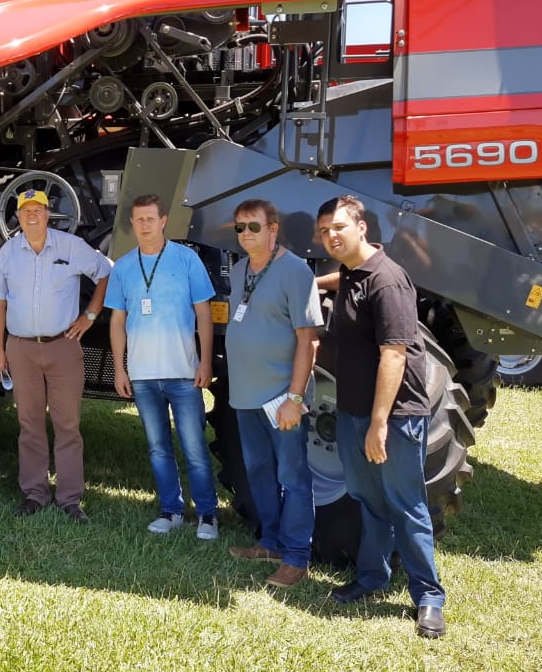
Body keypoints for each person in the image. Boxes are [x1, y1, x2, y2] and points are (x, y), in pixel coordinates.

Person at [315, 194, 447, 638]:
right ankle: (372, 578)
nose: (331, 236)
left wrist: (379, 424)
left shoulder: (388, 281)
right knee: (370, 503)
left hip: (392, 416)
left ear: (361, 227)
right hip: (353, 409)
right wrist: (314, 284)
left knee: (405, 506)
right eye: (324, 231)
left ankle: (429, 597)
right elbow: (346, 279)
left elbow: (394, 355)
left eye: (338, 227)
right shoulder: (354, 271)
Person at [0, 188, 111, 522]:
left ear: (48, 214)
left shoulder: (70, 246)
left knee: (68, 423)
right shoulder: (9, 253)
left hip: (62, 347)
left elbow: (105, 271)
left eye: (38, 210)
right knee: (29, 424)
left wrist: (90, 315)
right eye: (25, 211)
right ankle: (34, 493)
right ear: (18, 216)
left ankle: (70, 498)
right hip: (21, 347)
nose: (32, 216)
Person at [107, 194, 219, 540]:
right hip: (142, 375)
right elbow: (116, 321)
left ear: (164, 220)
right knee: (158, 448)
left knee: (194, 447)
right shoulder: (124, 266)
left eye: (150, 219)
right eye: (138, 219)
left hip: (183, 374)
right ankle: (171, 511)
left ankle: (208, 515)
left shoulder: (187, 260)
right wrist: (120, 369)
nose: (144, 225)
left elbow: (204, 315)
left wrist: (205, 360)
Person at [223, 199, 322, 588]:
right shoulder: (240, 269)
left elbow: (308, 341)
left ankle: (297, 556)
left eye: (254, 227)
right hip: (245, 396)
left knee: (293, 477)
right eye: (240, 228)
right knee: (259, 471)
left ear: (273, 230)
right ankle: (270, 541)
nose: (246, 234)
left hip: (280, 398)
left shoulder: (295, 271)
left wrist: (294, 399)